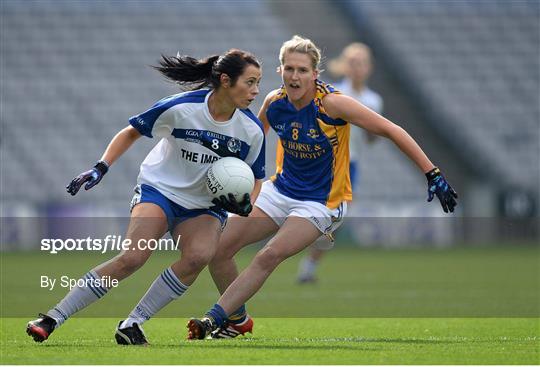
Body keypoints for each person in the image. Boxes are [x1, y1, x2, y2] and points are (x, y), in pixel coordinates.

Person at [187, 35, 458, 340]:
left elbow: (391, 130)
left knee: (268, 255)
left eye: (302, 70)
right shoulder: (274, 103)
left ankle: (212, 319)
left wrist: (432, 173)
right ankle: (237, 320)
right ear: (280, 71)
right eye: (289, 68)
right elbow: (254, 138)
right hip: (281, 190)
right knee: (219, 248)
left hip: (322, 201)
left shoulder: (332, 104)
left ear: (315, 74)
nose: (294, 75)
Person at [26, 49, 266, 345]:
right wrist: (100, 167)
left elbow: (256, 176)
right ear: (226, 81)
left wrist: (247, 203)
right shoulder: (181, 108)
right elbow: (131, 132)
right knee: (133, 257)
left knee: (198, 257)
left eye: (258, 83)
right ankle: (52, 318)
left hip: (204, 206)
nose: (256, 91)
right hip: (160, 190)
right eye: (251, 82)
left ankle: (132, 323)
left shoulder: (251, 130)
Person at [296, 42, 383, 283]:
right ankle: (294, 254)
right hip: (323, 161)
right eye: (353, 62)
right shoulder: (333, 93)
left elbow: (372, 139)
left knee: (333, 221)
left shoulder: (373, 101)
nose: (357, 68)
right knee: (312, 213)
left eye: (362, 63)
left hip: (348, 166)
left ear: (369, 68)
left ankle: (309, 266)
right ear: (346, 66)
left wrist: (371, 130)